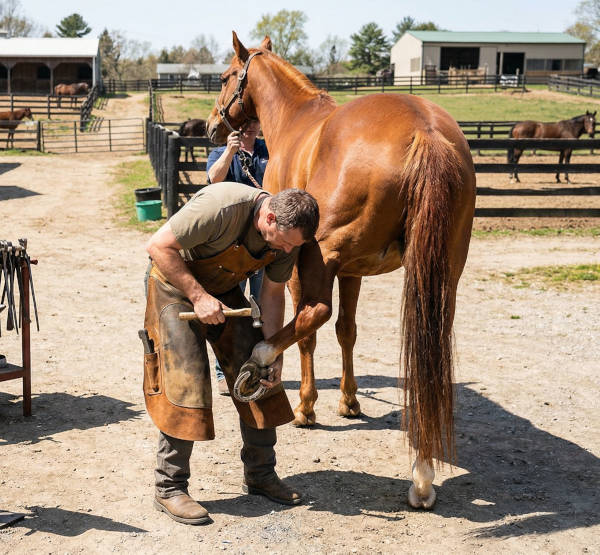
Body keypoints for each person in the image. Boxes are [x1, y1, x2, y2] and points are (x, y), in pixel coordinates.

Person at [143, 182, 319, 525]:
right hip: (174, 287)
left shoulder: (288, 239)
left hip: (223, 292)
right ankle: (169, 487)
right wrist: (197, 296)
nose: (286, 249)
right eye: (284, 241)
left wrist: (273, 348)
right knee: (186, 380)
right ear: (268, 216)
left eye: (293, 245)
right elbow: (158, 246)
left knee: (257, 374)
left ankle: (261, 474)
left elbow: (271, 294)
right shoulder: (221, 208)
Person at [206, 120, 268, 395]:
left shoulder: (269, 150)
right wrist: (230, 152)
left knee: (263, 306)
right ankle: (224, 370)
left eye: (254, 122)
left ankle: (261, 365)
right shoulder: (221, 153)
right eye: (245, 123)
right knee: (228, 304)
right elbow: (213, 179)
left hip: (264, 241)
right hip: (231, 240)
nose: (250, 127)